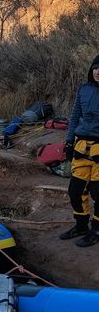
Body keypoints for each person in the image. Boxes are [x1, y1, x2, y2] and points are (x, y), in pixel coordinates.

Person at [60, 55, 99, 246]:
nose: (98, 71)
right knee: (75, 191)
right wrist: (69, 142)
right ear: (91, 70)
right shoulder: (84, 90)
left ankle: (97, 230)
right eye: (96, 68)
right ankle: (82, 225)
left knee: (98, 193)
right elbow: (74, 117)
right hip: (81, 146)